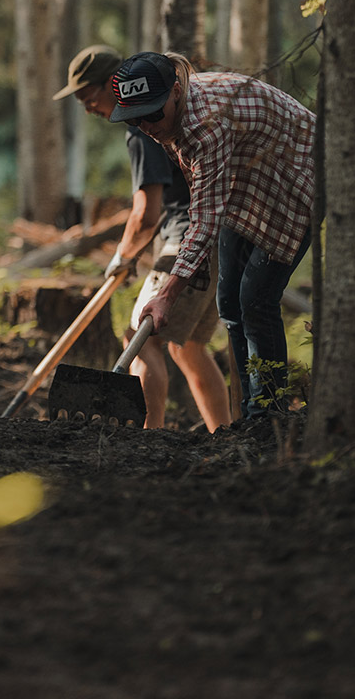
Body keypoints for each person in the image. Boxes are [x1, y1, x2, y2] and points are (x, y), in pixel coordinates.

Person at [108, 51, 315, 422]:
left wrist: (166, 295)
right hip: (248, 186)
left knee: (256, 300)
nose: (148, 126)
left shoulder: (205, 124)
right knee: (230, 303)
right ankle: (249, 412)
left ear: (174, 92)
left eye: (153, 114)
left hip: (296, 179)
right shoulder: (169, 118)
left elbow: (203, 219)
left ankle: (268, 415)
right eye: (136, 119)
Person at [54, 46, 232, 431]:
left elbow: (146, 212)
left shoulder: (139, 127)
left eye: (89, 98)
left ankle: (146, 439)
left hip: (187, 238)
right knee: (187, 349)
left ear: (110, 84)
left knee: (141, 335)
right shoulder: (164, 108)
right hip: (218, 238)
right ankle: (225, 433)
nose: (88, 109)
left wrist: (123, 255)